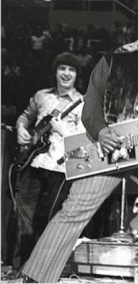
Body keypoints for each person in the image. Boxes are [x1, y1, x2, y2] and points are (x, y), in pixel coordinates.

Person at [16, 0, 138, 283]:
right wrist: (102, 132)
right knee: (74, 211)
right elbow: (91, 106)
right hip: (109, 148)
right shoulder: (113, 59)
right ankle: (34, 277)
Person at [13, 52, 85, 275]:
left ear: (76, 75)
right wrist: (21, 130)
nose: (66, 73)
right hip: (34, 163)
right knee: (24, 216)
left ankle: (45, 268)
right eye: (62, 68)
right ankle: (20, 268)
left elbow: (82, 141)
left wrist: (63, 130)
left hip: (60, 167)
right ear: (55, 72)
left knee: (53, 219)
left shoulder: (82, 103)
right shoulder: (42, 96)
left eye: (71, 70)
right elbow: (25, 116)